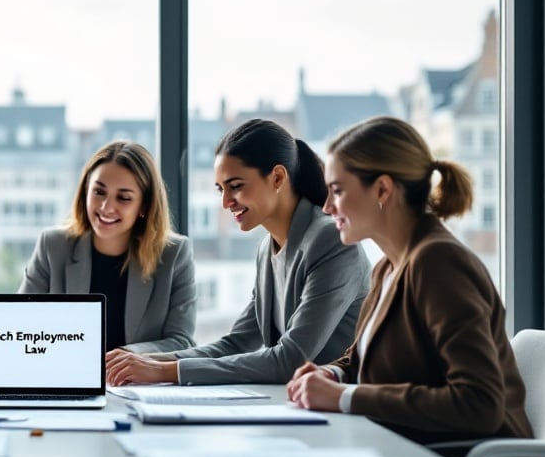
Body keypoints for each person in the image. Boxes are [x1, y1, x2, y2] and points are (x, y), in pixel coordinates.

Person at [286, 116, 543, 457]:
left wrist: (344, 397)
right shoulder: (389, 266)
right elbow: (362, 358)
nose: (327, 206)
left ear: (383, 190)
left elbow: (478, 404)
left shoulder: (438, 262)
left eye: (338, 190)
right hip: (417, 456)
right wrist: (333, 372)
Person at [105, 120, 369, 385]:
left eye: (236, 186)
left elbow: (290, 360)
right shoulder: (267, 249)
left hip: (339, 409)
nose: (225, 202)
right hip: (296, 405)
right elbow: (235, 344)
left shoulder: (330, 239)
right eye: (221, 189)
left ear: (277, 177)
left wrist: (165, 372)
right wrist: (144, 359)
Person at [19, 141, 196, 354]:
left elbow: (181, 341)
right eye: (99, 192)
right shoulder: (53, 246)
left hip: (136, 384)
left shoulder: (174, 254)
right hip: (67, 379)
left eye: (123, 198)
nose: (106, 207)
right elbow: (20, 324)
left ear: (144, 206)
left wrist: (127, 357)